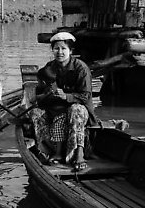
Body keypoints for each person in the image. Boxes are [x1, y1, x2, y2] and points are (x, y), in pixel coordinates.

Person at [29, 32, 98, 171]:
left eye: (63, 48)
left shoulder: (81, 68)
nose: (59, 52)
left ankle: (79, 153)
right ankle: (47, 150)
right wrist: (46, 94)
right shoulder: (49, 67)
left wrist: (66, 96)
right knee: (35, 113)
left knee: (75, 110)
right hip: (56, 110)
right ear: (52, 50)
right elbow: (41, 92)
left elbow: (85, 96)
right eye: (56, 48)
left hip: (79, 111)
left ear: (71, 51)